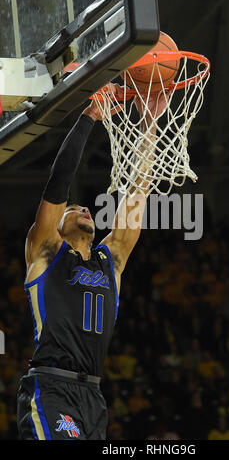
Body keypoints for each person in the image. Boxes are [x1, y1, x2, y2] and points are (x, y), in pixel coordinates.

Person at [16, 84, 168, 440]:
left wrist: (150, 124)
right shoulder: (46, 252)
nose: (83, 208)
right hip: (51, 387)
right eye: (73, 209)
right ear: (58, 223)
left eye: (85, 208)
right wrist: (90, 117)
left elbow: (137, 193)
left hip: (94, 395)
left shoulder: (110, 260)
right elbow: (58, 183)